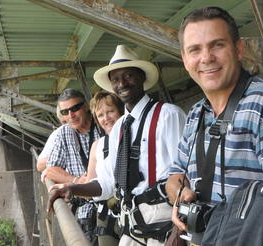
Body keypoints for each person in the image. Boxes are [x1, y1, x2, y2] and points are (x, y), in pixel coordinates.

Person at [47, 45, 186, 245]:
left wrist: (179, 226)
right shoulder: (120, 128)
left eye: (128, 75)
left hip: (164, 221)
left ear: (142, 78)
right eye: (115, 79)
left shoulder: (167, 115)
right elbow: (108, 183)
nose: (122, 83)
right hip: (131, 223)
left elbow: (184, 174)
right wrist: (73, 188)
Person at [165, 6, 263, 235]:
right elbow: (175, 174)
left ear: (238, 49)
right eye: (194, 50)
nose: (206, 58)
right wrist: (179, 194)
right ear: (184, 59)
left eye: (217, 45)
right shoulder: (195, 114)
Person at [44, 88, 102, 244]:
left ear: (86, 106)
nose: (71, 115)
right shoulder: (64, 133)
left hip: (110, 203)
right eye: (65, 112)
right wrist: (77, 181)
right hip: (85, 209)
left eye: (75, 108)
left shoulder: (102, 124)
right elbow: (50, 169)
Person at [86, 91, 124, 245]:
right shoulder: (97, 146)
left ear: (121, 111)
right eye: (100, 115)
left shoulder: (135, 137)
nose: (106, 118)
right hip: (106, 216)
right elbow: (90, 181)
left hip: (133, 213)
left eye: (110, 111)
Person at [36, 105, 68, 172]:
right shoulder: (58, 134)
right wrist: (61, 157)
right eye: (65, 122)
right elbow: (40, 165)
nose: (69, 126)